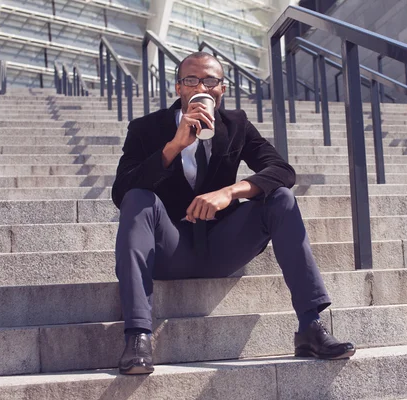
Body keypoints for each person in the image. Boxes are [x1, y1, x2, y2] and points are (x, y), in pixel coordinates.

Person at [112, 51, 355, 375]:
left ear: (222, 89)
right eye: (192, 80)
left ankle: (310, 327)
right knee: (138, 198)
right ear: (178, 88)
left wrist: (230, 192)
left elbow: (282, 170)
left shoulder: (236, 124)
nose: (202, 86)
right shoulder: (147, 128)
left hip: (223, 245)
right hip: (171, 248)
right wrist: (172, 148)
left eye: (210, 80)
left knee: (280, 198)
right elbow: (121, 191)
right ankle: (138, 336)